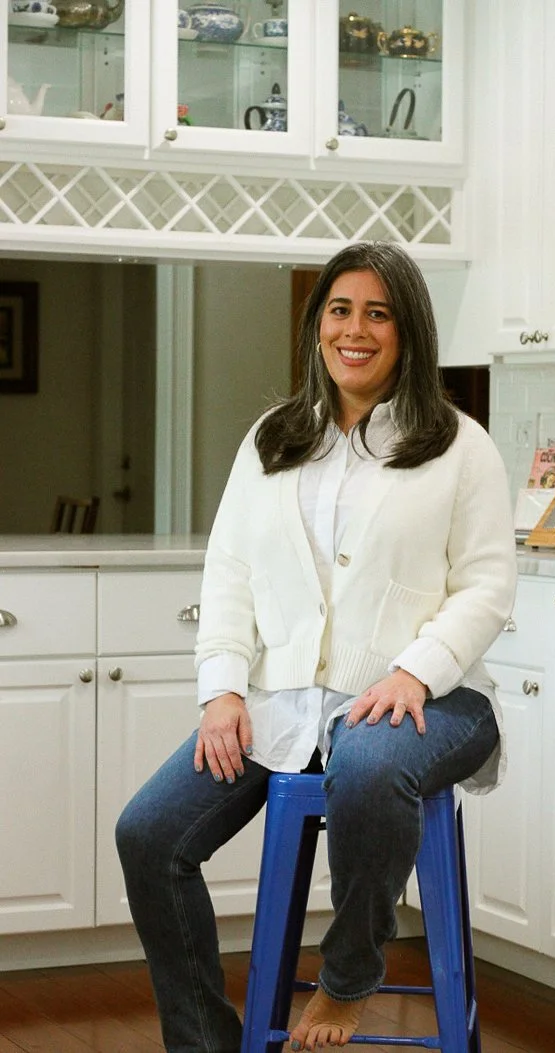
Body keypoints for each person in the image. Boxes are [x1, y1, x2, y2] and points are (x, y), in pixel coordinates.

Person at [116, 240, 517, 1053]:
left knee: (367, 762)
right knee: (149, 834)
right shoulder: (272, 438)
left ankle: (346, 980)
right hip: (282, 704)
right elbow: (227, 571)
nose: (356, 329)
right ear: (317, 326)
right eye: (340, 310)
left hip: (437, 700)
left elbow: (487, 586)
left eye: (379, 313)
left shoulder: (460, 445)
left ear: (408, 332)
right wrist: (222, 687)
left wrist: (416, 670)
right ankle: (203, 1045)